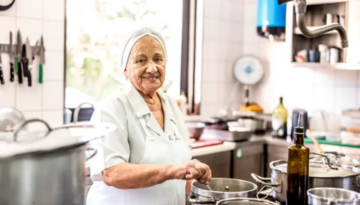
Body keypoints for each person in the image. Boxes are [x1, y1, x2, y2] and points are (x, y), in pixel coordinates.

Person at [86, 28, 212, 205]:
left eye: (158, 59)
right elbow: (112, 174)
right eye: (141, 60)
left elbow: (179, 167)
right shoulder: (112, 108)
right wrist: (174, 170)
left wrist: (193, 175)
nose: (152, 68)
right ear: (125, 70)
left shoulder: (171, 104)